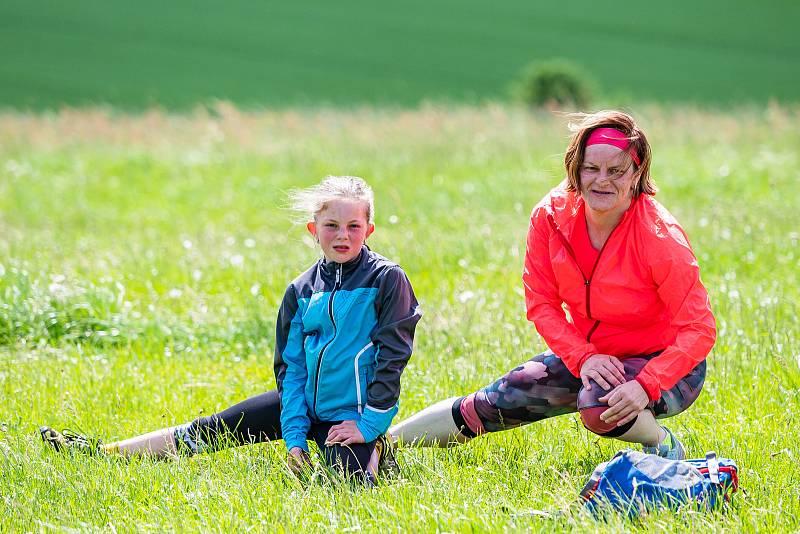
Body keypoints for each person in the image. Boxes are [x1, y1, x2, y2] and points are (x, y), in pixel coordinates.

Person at [40, 176, 422, 482]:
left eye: (354, 226)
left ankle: (378, 448)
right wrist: (293, 438)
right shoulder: (301, 290)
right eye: (332, 226)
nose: (343, 235)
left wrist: (368, 423)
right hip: (304, 403)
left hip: (353, 413)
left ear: (369, 230)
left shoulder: (388, 280)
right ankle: (103, 452)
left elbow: (393, 359)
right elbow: (290, 371)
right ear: (313, 229)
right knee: (211, 429)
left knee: (350, 484)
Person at [390, 110, 715, 460]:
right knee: (497, 400)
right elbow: (541, 304)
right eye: (591, 168)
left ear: (637, 173)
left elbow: (699, 329)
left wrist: (645, 384)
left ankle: (662, 443)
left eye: (616, 171)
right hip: (592, 357)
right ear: (575, 168)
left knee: (599, 402)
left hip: (668, 366)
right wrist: (584, 358)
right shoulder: (550, 217)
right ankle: (384, 442)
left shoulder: (660, 237)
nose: (601, 180)